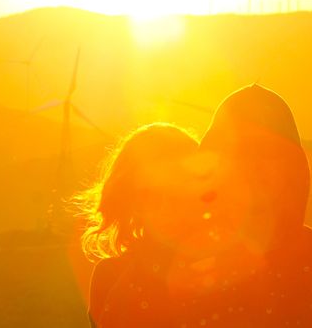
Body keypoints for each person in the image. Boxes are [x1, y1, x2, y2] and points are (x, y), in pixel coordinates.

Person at [193, 83, 312, 327]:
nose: (252, 165)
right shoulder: (181, 270)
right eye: (239, 151)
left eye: (266, 151)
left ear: (292, 166)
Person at [77, 123, 219, 328]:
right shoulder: (110, 276)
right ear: (130, 199)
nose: (164, 208)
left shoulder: (222, 267)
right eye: (149, 195)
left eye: (174, 192)